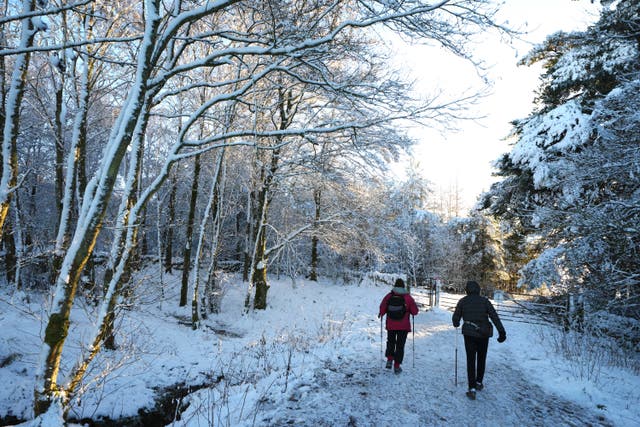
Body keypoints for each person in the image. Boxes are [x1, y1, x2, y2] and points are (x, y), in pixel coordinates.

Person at [452, 280, 506, 400]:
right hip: (483, 334)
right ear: (478, 289)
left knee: (471, 360)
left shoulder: (463, 301)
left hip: (469, 334)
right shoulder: (485, 301)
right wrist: (501, 331)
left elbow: (456, 318)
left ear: (467, 290)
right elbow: (494, 316)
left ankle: (471, 388)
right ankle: (479, 382)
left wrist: (456, 322)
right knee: (482, 358)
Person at [378, 278, 419, 374]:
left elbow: (382, 308)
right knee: (400, 345)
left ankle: (389, 359)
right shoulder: (408, 298)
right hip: (403, 326)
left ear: (395, 286)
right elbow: (415, 312)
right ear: (403, 286)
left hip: (391, 325)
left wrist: (381, 313)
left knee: (391, 342)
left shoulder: (389, 296)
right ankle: (396, 366)